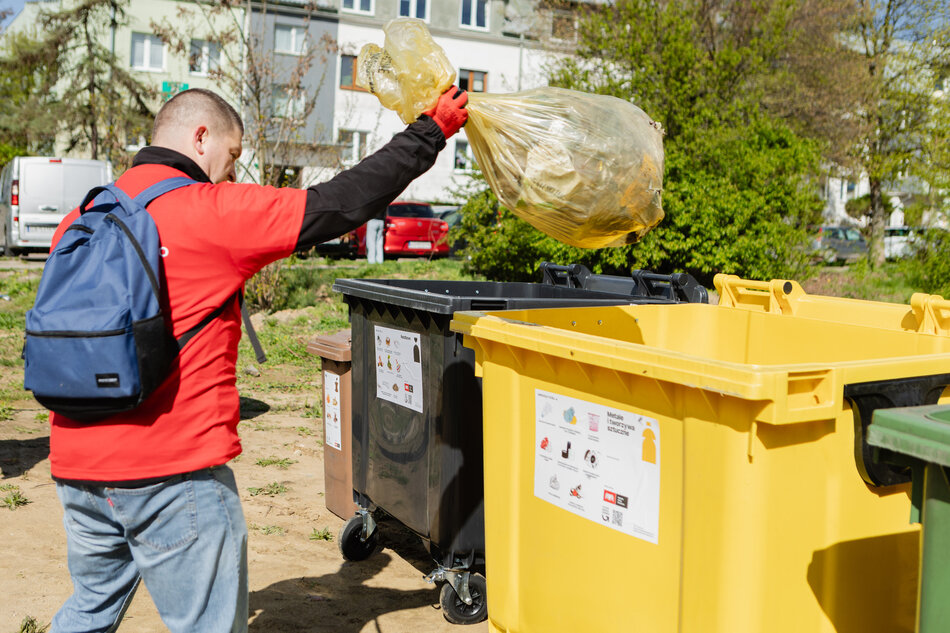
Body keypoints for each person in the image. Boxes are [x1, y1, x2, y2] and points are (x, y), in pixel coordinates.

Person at [46, 86, 468, 633]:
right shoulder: (210, 211)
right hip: (170, 473)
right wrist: (429, 132)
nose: (230, 171)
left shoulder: (82, 216)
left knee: (89, 609)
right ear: (200, 137)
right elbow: (340, 202)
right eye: (233, 154)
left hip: (76, 465)